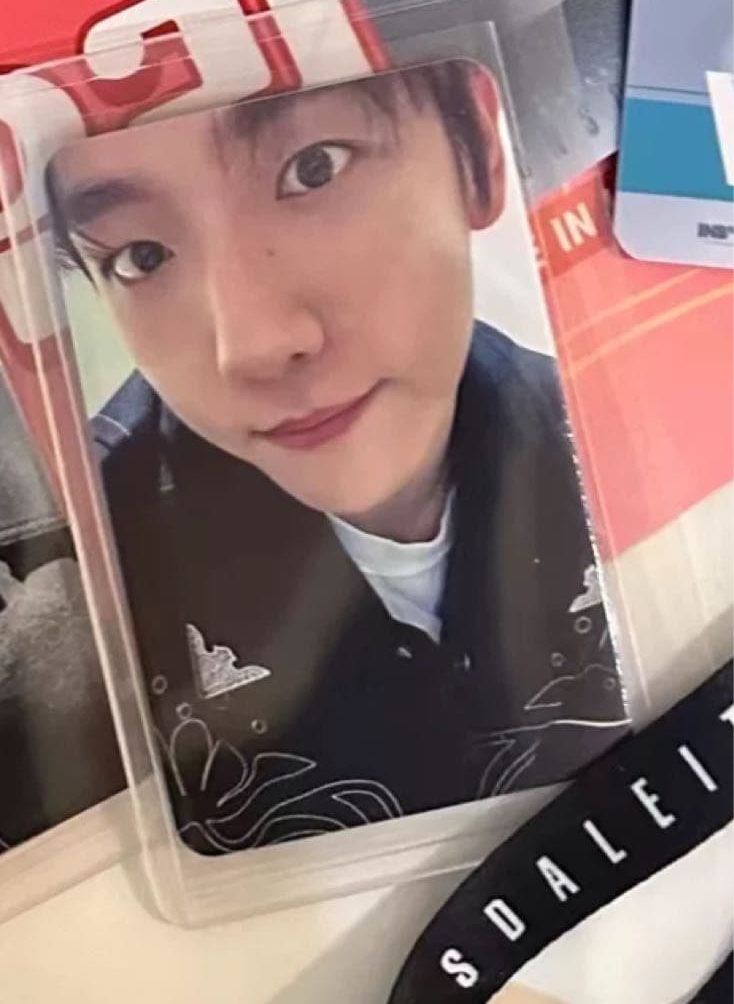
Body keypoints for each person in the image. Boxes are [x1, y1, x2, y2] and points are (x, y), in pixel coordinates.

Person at [48, 61, 627, 854]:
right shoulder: (85, 584)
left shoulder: (628, 445)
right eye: (141, 256)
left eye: (314, 169)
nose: (253, 344)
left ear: (477, 156)